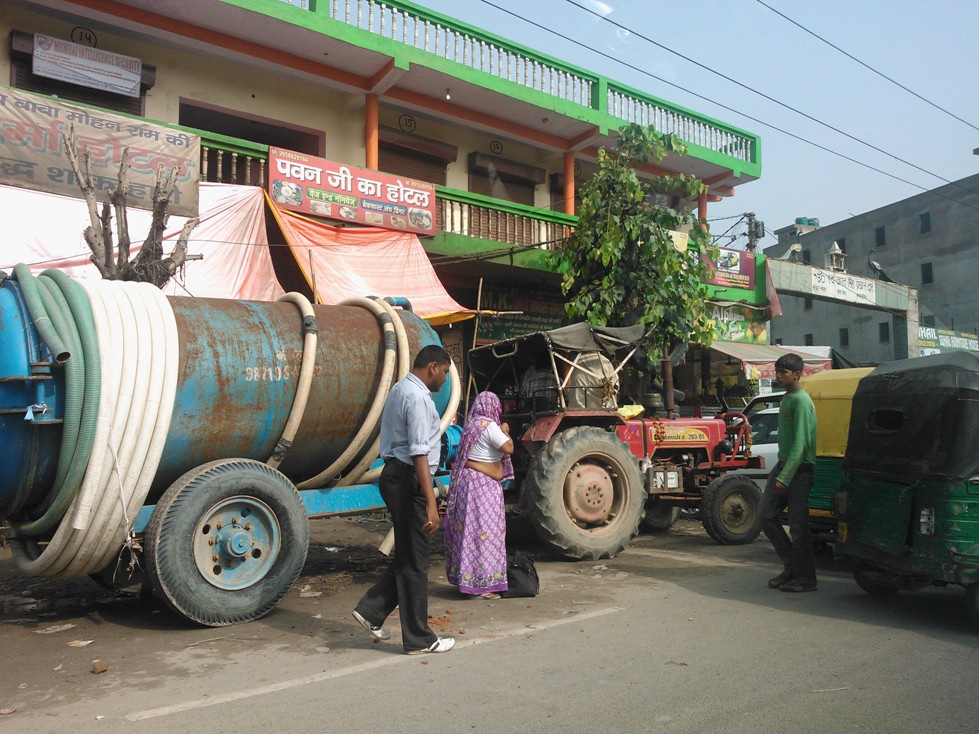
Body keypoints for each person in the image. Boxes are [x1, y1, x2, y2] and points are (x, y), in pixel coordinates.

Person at [352, 345, 456, 654]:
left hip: (395, 476)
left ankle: (371, 611)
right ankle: (419, 639)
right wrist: (429, 501)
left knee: (407, 555)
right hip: (408, 479)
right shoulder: (418, 398)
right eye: (445, 373)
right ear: (433, 367)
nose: (445, 380)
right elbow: (419, 454)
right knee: (416, 561)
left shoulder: (400, 388)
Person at [444, 392, 515, 599]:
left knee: (469, 531)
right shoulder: (489, 425)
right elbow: (508, 448)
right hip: (484, 486)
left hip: (468, 482)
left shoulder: (471, 425)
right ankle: (482, 586)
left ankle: (465, 580)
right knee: (487, 533)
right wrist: (505, 431)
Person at [761, 353, 818, 593]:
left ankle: (805, 579)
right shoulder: (787, 398)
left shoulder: (801, 401)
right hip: (784, 466)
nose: (779, 375)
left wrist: (784, 478)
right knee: (765, 516)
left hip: (799, 471)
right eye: (777, 371)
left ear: (797, 373)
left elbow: (801, 444)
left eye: (783, 372)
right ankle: (791, 567)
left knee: (798, 527)